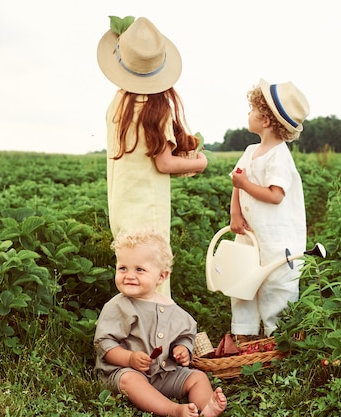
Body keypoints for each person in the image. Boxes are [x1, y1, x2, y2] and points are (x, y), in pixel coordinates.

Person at [97, 17, 207, 297]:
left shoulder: (116, 104)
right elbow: (165, 162)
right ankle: (157, 336)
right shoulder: (156, 109)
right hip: (148, 210)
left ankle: (131, 334)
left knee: (130, 278)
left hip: (121, 207)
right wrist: (199, 162)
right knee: (153, 279)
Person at [94, 228, 227, 417]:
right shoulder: (119, 306)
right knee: (130, 381)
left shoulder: (171, 307)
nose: (129, 275)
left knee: (198, 377)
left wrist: (182, 349)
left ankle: (207, 407)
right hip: (125, 372)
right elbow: (105, 345)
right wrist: (130, 359)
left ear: (162, 276)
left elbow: (184, 335)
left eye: (139, 269)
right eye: (123, 268)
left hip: (164, 374)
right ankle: (173, 410)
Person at [229, 79, 310, 342]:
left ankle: (277, 337)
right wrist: (235, 214)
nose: (248, 114)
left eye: (252, 110)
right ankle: (245, 333)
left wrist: (245, 184)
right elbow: (237, 184)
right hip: (251, 234)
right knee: (244, 278)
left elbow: (276, 196)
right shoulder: (251, 150)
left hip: (276, 235)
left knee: (276, 282)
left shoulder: (279, 155)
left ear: (265, 120)